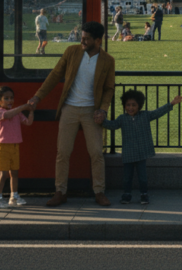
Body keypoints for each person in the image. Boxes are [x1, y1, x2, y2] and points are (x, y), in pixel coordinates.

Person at [26, 21, 115, 208]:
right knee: (62, 152)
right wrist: (37, 97)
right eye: (81, 37)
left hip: (92, 111)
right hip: (70, 109)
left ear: (98, 40)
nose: (81, 41)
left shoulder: (108, 60)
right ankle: (60, 191)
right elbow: (54, 75)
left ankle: (99, 192)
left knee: (97, 153)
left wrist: (103, 109)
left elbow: (108, 89)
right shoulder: (72, 52)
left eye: (86, 39)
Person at [96, 89, 182, 205]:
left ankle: (144, 194)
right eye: (128, 105)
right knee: (127, 177)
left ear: (140, 106)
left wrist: (171, 104)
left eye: (134, 105)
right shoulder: (122, 118)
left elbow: (158, 112)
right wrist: (102, 121)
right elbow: (113, 125)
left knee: (143, 177)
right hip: (128, 154)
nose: (130, 108)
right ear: (124, 105)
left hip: (141, 153)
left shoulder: (145, 115)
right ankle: (126, 194)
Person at [0, 86, 34, 208]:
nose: (10, 101)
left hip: (14, 146)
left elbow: (28, 122)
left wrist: (31, 111)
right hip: (2, 147)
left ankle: (13, 196)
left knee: (14, 173)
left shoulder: (17, 113)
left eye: (11, 98)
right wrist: (24, 107)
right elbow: (8, 114)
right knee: (3, 175)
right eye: (6, 98)